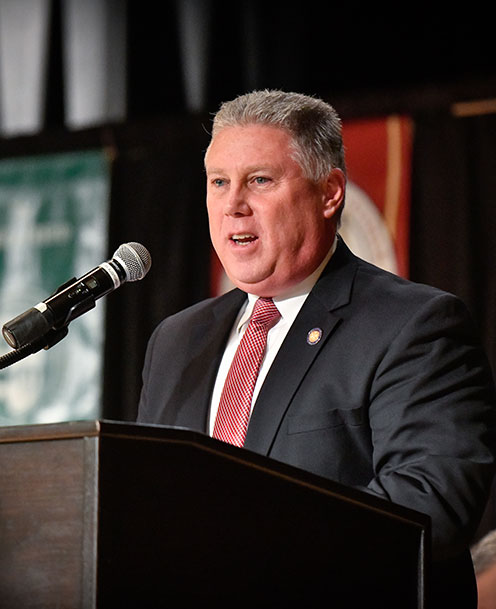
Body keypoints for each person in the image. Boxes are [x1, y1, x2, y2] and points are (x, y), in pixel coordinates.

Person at [137, 89, 496, 606]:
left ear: (329, 193)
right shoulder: (176, 341)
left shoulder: (413, 326)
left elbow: (429, 505)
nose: (233, 205)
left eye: (259, 180)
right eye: (219, 182)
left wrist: (244, 554)